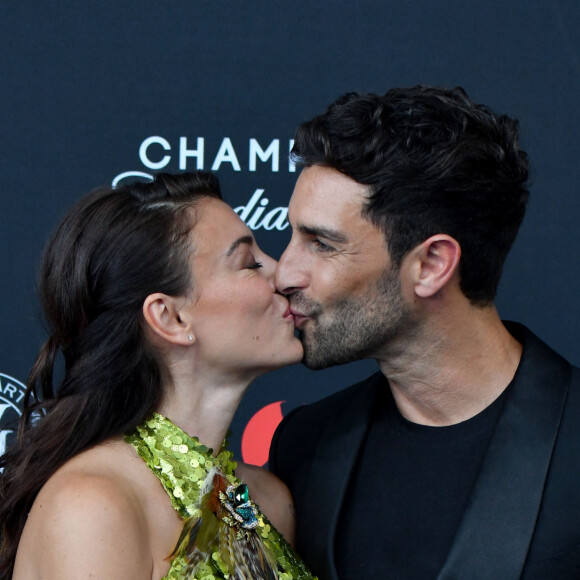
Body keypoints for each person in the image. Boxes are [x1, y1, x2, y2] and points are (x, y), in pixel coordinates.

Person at [268, 86, 580, 579]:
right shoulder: (303, 446)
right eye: (292, 236)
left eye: (322, 244)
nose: (283, 273)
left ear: (432, 264)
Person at [0, 172, 316, 580]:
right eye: (249, 263)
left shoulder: (267, 501)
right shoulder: (93, 504)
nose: (283, 275)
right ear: (170, 317)